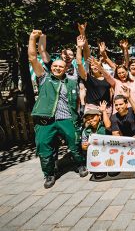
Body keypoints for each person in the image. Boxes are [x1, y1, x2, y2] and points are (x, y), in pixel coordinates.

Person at [28, 30, 88, 189]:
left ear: (65, 68)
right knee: (43, 146)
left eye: (60, 66)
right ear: (51, 67)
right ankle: (49, 174)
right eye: (54, 66)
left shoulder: (72, 80)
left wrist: (79, 48)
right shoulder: (44, 78)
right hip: (45, 119)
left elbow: (80, 62)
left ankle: (80, 164)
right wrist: (32, 38)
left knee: (74, 143)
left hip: (66, 118)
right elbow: (33, 58)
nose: (57, 68)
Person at [80, 102, 111, 179]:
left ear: (99, 117)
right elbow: (83, 147)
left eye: (92, 117)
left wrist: (103, 111)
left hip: (108, 151)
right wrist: (84, 146)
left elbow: (108, 126)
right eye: (88, 119)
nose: (90, 120)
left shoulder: (104, 125)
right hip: (95, 155)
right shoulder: (85, 131)